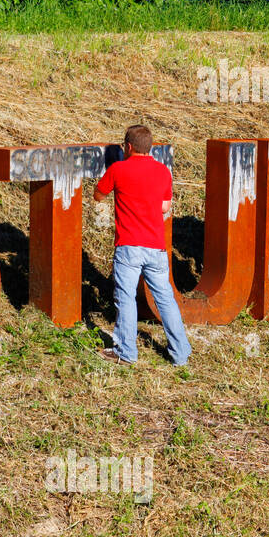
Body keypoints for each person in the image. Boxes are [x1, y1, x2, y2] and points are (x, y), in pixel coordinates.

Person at [92, 124, 191, 367]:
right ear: (150, 148)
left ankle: (126, 353)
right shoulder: (163, 172)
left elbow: (98, 195)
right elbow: (165, 207)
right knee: (165, 298)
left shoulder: (118, 169)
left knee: (125, 298)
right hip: (156, 246)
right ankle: (180, 353)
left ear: (128, 146)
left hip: (129, 246)